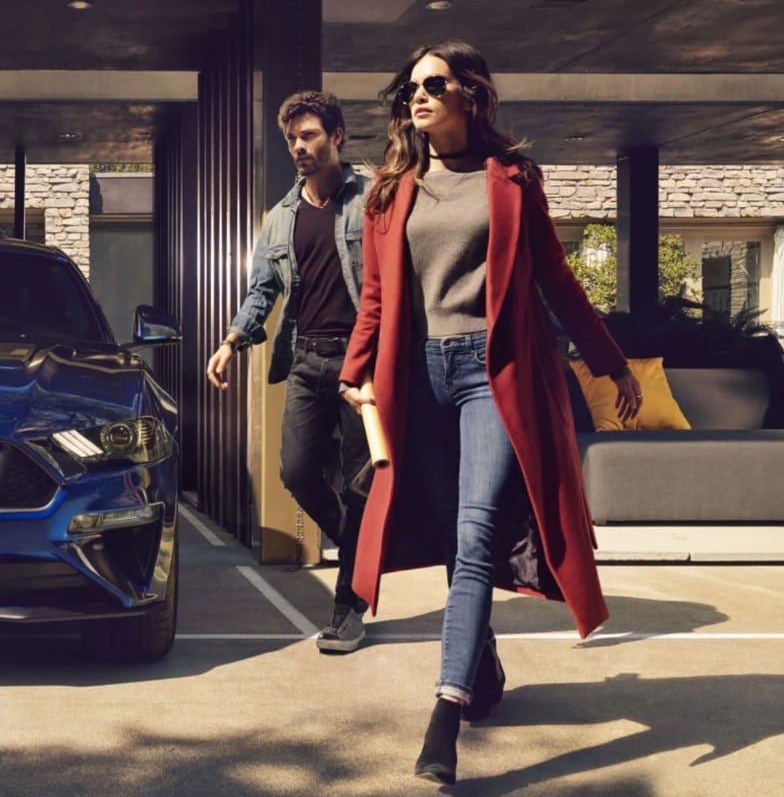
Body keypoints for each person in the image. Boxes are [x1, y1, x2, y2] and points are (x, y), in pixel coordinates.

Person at [336, 40, 642, 784]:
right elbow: (377, 297)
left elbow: (558, 282)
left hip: (490, 375)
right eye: (410, 87)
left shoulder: (512, 179)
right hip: (417, 381)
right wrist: (354, 373)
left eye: (434, 84)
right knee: (449, 533)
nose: (418, 97)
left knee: (475, 533)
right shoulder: (390, 189)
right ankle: (483, 659)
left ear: (469, 93)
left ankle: (445, 713)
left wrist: (609, 362)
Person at [206, 90, 373, 654]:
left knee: (358, 485)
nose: (299, 148)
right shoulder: (281, 218)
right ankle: (361, 547)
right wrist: (232, 340)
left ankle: (348, 607)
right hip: (305, 357)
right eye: (292, 140)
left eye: (309, 136)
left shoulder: (370, 199)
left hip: (362, 359)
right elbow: (263, 290)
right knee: (297, 471)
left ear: (336, 136)